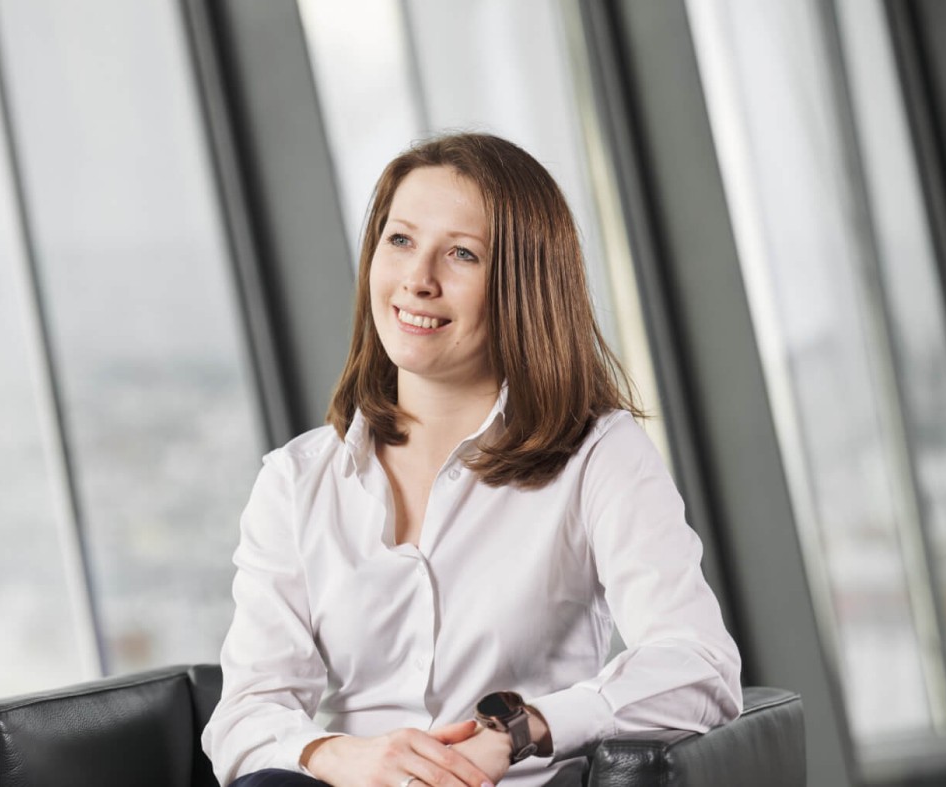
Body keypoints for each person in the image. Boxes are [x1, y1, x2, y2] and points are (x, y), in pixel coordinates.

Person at [201, 133, 742, 787]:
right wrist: (349, 756)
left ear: (523, 284)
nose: (418, 279)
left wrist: (518, 731)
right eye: (400, 240)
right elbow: (246, 714)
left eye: (461, 254)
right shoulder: (295, 481)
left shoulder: (597, 453)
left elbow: (698, 663)